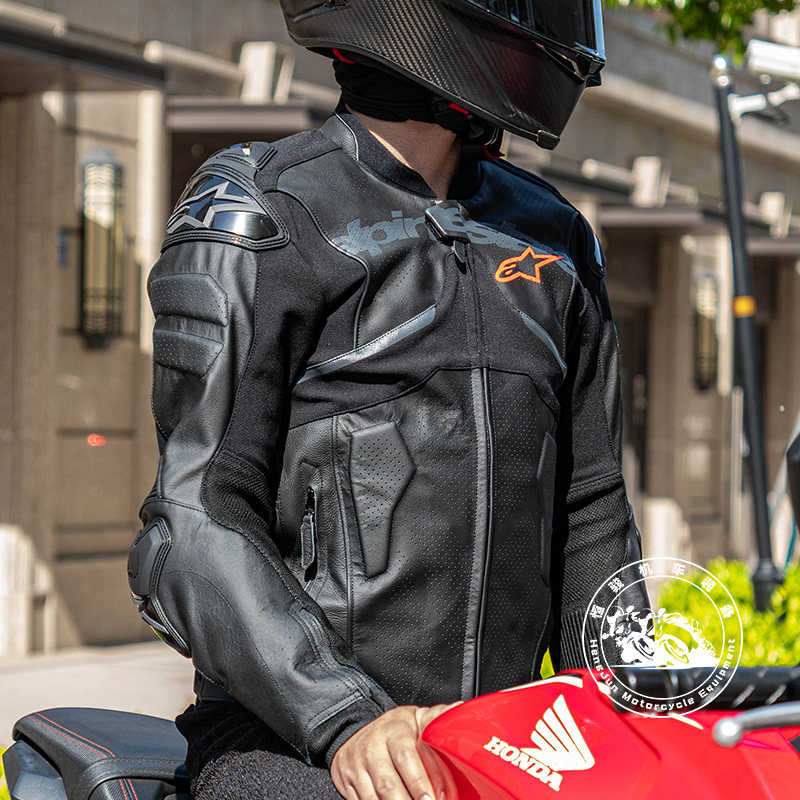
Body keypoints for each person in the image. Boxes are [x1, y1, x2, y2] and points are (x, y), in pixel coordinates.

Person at [127, 2, 648, 798]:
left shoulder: (556, 237)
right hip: (295, 739)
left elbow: (593, 513)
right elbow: (195, 517)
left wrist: (630, 724)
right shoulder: (265, 211)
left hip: (504, 744)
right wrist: (345, 718)